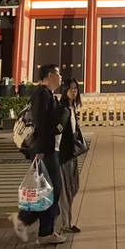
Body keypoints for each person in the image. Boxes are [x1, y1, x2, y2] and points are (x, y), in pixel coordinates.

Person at [12, 64, 67, 245]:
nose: (60, 77)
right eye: (58, 74)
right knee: (52, 189)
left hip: (48, 150)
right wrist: (40, 151)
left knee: (48, 190)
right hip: (45, 151)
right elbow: (41, 123)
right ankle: (29, 223)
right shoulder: (41, 94)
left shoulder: (46, 94)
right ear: (50, 75)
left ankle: (37, 226)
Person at [57, 77, 84, 233]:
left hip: (72, 153)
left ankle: (65, 221)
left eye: (76, 88)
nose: (74, 91)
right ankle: (65, 224)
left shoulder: (72, 107)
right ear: (65, 89)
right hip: (63, 154)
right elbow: (57, 132)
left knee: (74, 187)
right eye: (71, 88)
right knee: (66, 190)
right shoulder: (62, 108)